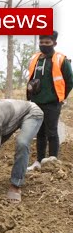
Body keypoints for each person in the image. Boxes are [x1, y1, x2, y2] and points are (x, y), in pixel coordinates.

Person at [26, 31, 73, 171]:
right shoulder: (35, 58)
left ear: (54, 43)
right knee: (39, 132)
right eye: (41, 42)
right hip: (36, 101)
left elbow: (69, 81)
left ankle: (52, 161)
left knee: (51, 132)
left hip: (52, 103)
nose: (44, 45)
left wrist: (60, 97)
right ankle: (39, 161)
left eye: (47, 42)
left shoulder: (61, 59)